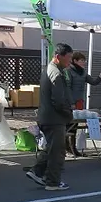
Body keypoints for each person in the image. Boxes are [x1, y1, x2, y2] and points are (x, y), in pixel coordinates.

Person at [27, 44, 74, 191]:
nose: (70, 61)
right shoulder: (56, 73)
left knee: (51, 148)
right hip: (55, 118)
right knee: (57, 151)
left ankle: (36, 171)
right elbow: (58, 100)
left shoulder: (51, 69)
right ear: (58, 57)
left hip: (47, 116)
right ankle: (52, 182)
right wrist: (68, 113)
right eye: (69, 58)